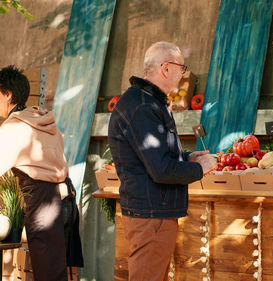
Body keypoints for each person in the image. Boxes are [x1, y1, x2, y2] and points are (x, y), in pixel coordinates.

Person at [108, 41, 217, 281]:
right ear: (166, 68)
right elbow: (161, 169)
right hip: (151, 214)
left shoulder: (148, 101)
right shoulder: (144, 106)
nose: (183, 73)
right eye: (181, 67)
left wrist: (187, 157)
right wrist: (200, 168)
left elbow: (152, 157)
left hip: (153, 211)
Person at [0, 65, 83, 280]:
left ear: (8, 95)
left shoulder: (13, 129)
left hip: (43, 206)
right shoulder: (45, 123)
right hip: (66, 204)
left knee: (48, 276)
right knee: (57, 273)